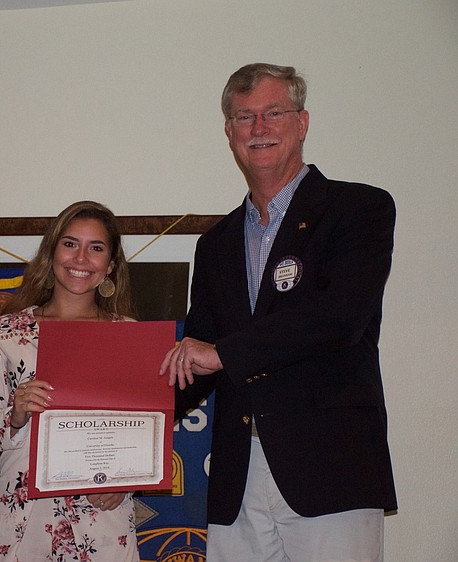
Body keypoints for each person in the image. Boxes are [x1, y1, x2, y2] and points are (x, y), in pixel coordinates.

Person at [160, 63, 398, 561]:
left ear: (302, 122)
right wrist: (114, 421)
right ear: (229, 133)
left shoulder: (359, 209)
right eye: (244, 117)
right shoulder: (216, 243)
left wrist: (222, 354)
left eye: (273, 113)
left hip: (329, 471)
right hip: (236, 479)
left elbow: (338, 318)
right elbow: (194, 363)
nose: (259, 128)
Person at [0, 201, 141, 562]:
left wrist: (127, 484)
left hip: (101, 520)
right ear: (52, 252)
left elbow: (145, 430)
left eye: (96, 248)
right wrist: (15, 414)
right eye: (70, 243)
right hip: (21, 518)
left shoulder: (130, 337)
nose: (80, 258)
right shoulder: (7, 332)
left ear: (110, 265)